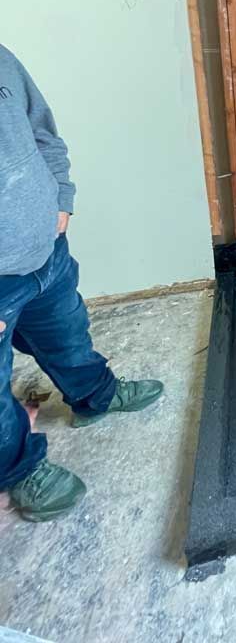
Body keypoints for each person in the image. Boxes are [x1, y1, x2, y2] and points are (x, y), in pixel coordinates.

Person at [0, 44, 163, 521]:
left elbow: (41, 132)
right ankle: (18, 470)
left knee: (68, 333)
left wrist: (61, 200)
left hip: (45, 251)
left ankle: (95, 396)